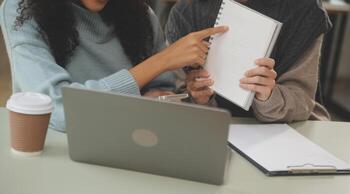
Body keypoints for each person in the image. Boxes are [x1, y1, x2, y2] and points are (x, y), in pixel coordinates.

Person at [0, 0, 227, 132]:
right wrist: (161, 61)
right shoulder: (22, 10)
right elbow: (57, 112)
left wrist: (186, 96)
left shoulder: (141, 15)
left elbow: (159, 93)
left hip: (132, 152)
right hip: (56, 157)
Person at [166, 0, 332, 123]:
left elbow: (302, 100)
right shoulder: (186, 12)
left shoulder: (304, 10)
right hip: (211, 130)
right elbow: (174, 99)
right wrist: (198, 99)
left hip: (288, 130)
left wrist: (268, 96)